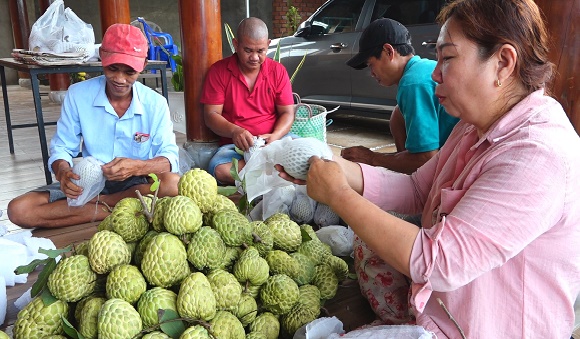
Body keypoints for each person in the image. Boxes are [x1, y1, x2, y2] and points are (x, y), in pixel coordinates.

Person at [277, 0, 580, 337]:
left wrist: (339, 195)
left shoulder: (538, 154)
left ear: (503, 63)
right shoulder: (473, 125)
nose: (435, 72)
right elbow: (419, 189)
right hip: (442, 313)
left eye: (448, 58)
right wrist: (335, 166)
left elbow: (438, 261)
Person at [7, 24, 180, 228]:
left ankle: (100, 207)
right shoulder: (78, 95)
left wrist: (136, 167)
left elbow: (169, 159)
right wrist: (63, 171)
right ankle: (119, 210)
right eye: (112, 68)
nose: (120, 79)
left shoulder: (155, 103)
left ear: (144, 64)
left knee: (172, 184)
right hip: (88, 182)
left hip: (136, 183)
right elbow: (62, 148)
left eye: (130, 72)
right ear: (101, 56)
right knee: (19, 210)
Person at [342, 18, 459, 174]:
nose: (371, 73)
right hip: (460, 155)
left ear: (388, 51)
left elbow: (426, 159)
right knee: (397, 113)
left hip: (461, 168)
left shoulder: (412, 83)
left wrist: (372, 158)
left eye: (371, 64)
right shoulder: (422, 69)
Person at [202, 17, 295, 185]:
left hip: (275, 141)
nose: (254, 57)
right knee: (220, 170)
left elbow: (287, 113)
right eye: (248, 50)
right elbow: (211, 115)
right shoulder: (219, 71)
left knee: (313, 154)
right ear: (235, 44)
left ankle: (263, 176)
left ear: (268, 44)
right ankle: (276, 174)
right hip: (236, 148)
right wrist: (234, 131)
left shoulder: (278, 71)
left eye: (260, 51)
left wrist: (275, 136)